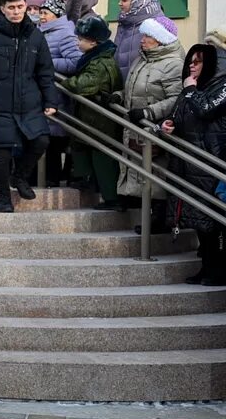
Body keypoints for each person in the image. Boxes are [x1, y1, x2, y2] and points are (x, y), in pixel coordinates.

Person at [0, 0, 58, 213]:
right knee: (2, 153)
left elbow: (45, 71)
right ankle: (3, 198)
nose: (16, 11)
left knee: (41, 142)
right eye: (11, 8)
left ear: (26, 6)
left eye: (20, 7)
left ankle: (19, 176)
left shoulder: (35, 36)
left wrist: (51, 101)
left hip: (29, 104)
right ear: (2, 9)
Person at [164, 31, 226, 285]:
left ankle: (219, 271)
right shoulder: (191, 86)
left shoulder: (221, 85)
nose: (192, 64)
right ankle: (207, 269)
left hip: (212, 161)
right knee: (201, 221)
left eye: (198, 61)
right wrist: (170, 124)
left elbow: (206, 109)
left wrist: (190, 91)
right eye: (191, 60)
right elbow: (182, 115)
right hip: (190, 163)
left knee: (214, 221)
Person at [118, 17, 185, 223]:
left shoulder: (173, 64)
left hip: (157, 129)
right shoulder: (143, 59)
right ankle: (150, 218)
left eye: (148, 35)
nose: (142, 39)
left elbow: (177, 98)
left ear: (160, 39)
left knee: (157, 174)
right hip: (138, 128)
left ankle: (160, 221)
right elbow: (134, 90)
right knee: (142, 171)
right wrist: (118, 96)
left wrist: (149, 112)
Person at [63, 16, 124, 211]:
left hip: (99, 122)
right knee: (83, 148)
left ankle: (112, 198)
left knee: (102, 158)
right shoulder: (96, 57)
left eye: (80, 39)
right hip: (92, 119)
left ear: (93, 42)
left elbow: (83, 85)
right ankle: (87, 181)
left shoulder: (99, 63)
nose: (77, 42)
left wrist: (65, 82)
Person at [38, 0, 83, 186]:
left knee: (54, 140)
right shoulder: (41, 32)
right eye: (40, 12)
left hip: (58, 96)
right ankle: (44, 177)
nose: (41, 17)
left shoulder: (65, 34)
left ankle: (52, 178)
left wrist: (47, 64)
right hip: (43, 94)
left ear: (56, 15)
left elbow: (75, 62)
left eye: (45, 13)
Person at [114, 0, 163, 74]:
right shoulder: (125, 20)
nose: (119, 3)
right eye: (120, 0)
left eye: (124, 0)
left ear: (137, 2)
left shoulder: (154, 23)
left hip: (141, 80)